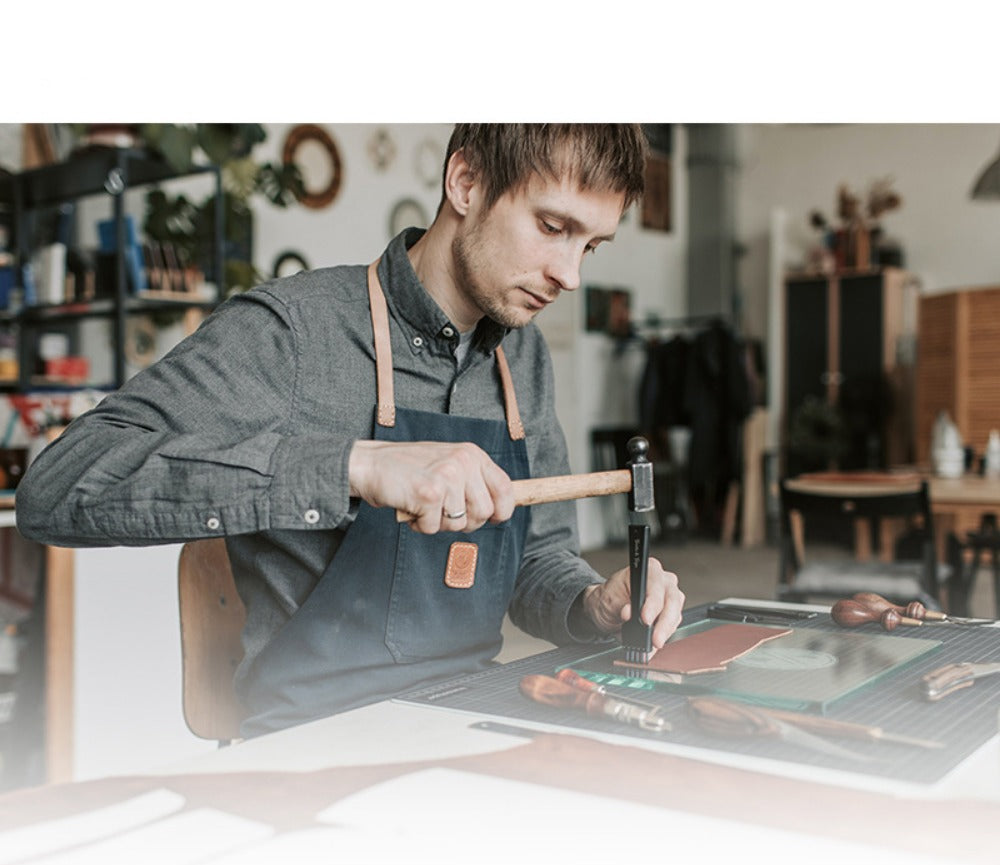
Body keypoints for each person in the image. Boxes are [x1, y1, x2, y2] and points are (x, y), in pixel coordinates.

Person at [15, 123, 685, 736]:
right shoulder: (292, 332)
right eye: (552, 227)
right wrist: (351, 468)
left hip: (468, 720)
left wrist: (590, 604)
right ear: (466, 182)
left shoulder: (521, 355)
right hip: (313, 740)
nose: (569, 275)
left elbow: (536, 559)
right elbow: (54, 489)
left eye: (590, 245)